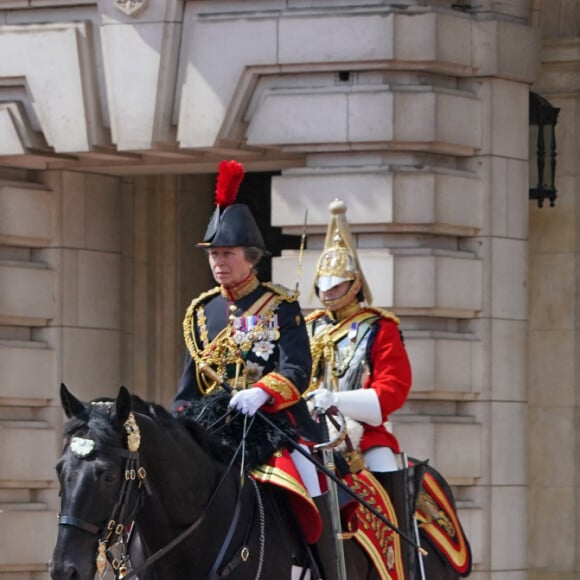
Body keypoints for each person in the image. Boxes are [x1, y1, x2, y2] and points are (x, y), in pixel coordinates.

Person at [173, 160, 340, 580]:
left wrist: (263, 392)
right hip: (215, 426)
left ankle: (321, 567)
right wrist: (181, 426)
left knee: (308, 482)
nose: (218, 262)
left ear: (251, 258)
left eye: (226, 253)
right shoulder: (201, 311)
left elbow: (298, 368)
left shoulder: (280, 306)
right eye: (213, 254)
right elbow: (188, 386)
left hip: (273, 424)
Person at [307, 198, 412, 473]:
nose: (327, 292)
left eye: (336, 285)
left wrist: (337, 401)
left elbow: (392, 390)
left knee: (385, 470)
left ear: (354, 286)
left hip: (364, 433)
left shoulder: (380, 328)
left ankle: (401, 517)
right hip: (307, 428)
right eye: (323, 285)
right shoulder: (308, 326)